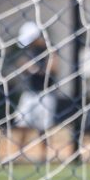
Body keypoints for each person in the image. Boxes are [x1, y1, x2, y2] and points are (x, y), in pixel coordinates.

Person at [11, 21, 58, 161]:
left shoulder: (49, 49)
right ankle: (18, 155)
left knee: (44, 128)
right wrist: (27, 67)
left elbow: (53, 68)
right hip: (29, 92)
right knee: (22, 124)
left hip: (45, 93)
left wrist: (36, 69)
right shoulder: (28, 51)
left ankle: (44, 156)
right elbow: (21, 63)